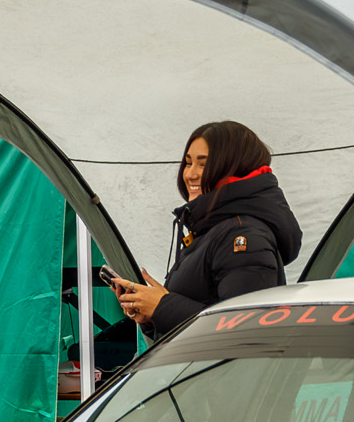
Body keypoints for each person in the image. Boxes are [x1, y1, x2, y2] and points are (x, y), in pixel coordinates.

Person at [111, 121, 302, 338]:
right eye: (188, 163)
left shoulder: (242, 236)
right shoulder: (212, 230)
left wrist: (162, 307)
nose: (190, 174)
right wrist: (150, 314)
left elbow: (244, 328)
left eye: (203, 165)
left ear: (233, 168)